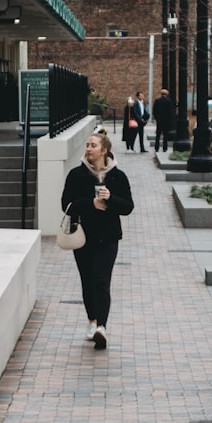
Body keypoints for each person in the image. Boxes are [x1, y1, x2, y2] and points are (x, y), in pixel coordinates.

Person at [60, 132, 134, 350]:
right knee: (87, 280)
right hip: (83, 237)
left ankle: (102, 327)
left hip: (108, 237)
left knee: (101, 280)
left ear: (104, 150)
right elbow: (66, 205)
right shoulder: (76, 175)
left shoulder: (117, 177)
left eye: (93, 145)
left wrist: (111, 199)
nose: (88, 148)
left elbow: (128, 206)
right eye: (87, 145)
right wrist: (90, 203)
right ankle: (92, 320)